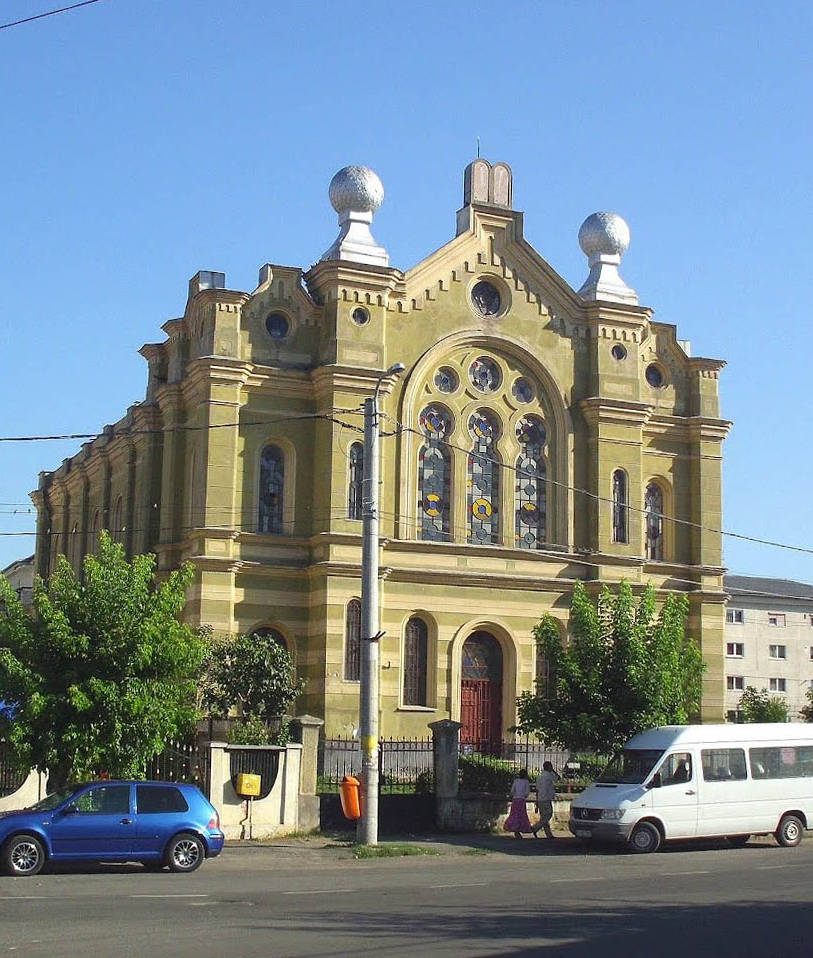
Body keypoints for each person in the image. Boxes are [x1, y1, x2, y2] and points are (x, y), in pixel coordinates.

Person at [533, 761, 560, 839]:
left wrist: (537, 800)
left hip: (540, 798)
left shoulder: (539, 776)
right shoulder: (549, 775)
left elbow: (537, 790)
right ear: (549, 767)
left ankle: (549, 835)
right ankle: (535, 828)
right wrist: (554, 771)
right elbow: (558, 778)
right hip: (546, 798)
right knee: (548, 814)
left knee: (543, 817)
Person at [503, 769, 533, 838]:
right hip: (522, 800)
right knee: (521, 815)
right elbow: (527, 792)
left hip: (515, 800)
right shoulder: (526, 782)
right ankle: (519, 829)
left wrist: (514, 795)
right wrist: (524, 795)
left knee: (514, 814)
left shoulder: (516, 781)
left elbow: (512, 791)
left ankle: (515, 829)